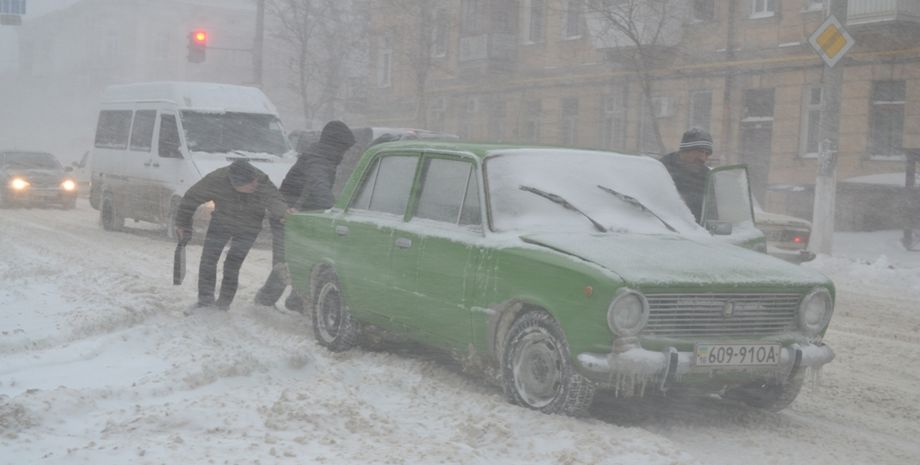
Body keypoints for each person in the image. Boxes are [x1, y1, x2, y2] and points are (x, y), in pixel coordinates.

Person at [255, 120, 356, 309]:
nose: (345, 153)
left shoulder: (324, 157)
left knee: (305, 258)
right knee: (286, 262)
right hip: (288, 215)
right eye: (344, 148)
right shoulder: (317, 159)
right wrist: (332, 211)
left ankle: (296, 300)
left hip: (303, 216)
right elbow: (319, 186)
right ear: (336, 144)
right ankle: (264, 301)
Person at [175, 160, 290, 310]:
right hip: (221, 222)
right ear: (234, 184)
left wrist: (284, 212)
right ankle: (205, 301)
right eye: (250, 185)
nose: (255, 185)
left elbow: (274, 198)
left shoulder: (260, 179)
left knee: (232, 265)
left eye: (255, 182)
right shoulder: (216, 180)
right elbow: (190, 199)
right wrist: (183, 224)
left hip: (250, 226)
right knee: (208, 260)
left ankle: (224, 304)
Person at [659, 128, 714, 222]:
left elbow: (713, 213)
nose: (703, 158)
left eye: (707, 154)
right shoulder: (660, 170)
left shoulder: (708, 178)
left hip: (699, 233)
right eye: (699, 151)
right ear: (684, 151)